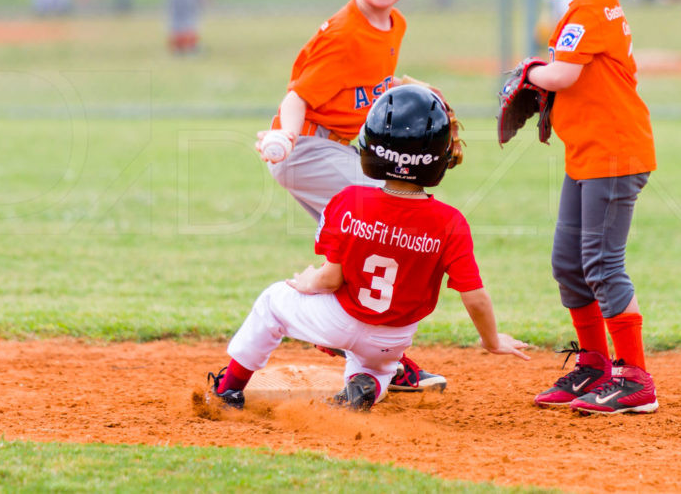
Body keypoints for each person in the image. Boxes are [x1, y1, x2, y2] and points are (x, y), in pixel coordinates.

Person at [208, 84, 530, 411]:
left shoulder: (349, 201)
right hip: (393, 339)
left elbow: (330, 279)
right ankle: (369, 383)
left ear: (371, 147)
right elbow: (474, 296)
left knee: (272, 303)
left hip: (339, 321)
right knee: (377, 368)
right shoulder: (451, 222)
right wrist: (492, 341)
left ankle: (228, 390)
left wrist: (307, 282)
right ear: (441, 158)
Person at [252, 0, 448, 392]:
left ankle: (361, 349)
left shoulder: (394, 24)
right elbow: (297, 95)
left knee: (369, 238)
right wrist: (286, 138)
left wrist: (408, 86)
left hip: (337, 151)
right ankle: (339, 310)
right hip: (307, 148)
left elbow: (370, 83)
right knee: (382, 210)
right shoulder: (343, 35)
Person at [519, 0, 661, 415]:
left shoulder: (593, 8)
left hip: (615, 154)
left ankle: (634, 378)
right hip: (589, 153)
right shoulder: (584, 8)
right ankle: (594, 366)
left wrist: (529, 71)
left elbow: (563, 74)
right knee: (569, 265)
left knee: (602, 265)